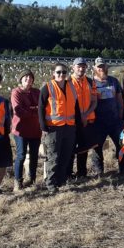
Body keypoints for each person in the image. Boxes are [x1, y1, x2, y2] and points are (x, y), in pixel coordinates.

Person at [39, 63, 78, 193]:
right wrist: (43, 126)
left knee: (66, 156)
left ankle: (61, 181)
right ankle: (50, 184)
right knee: (53, 156)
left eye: (64, 72)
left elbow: (75, 106)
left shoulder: (71, 87)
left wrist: (76, 123)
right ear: (54, 74)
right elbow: (40, 108)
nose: (61, 75)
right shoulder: (47, 88)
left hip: (69, 127)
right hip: (53, 128)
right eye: (58, 72)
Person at [91, 57, 124, 174]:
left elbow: (120, 100)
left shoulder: (113, 81)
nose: (101, 69)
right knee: (97, 147)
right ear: (94, 68)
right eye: (99, 67)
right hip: (98, 122)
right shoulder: (91, 83)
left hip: (115, 121)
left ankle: (123, 169)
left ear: (106, 67)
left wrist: (120, 117)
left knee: (121, 145)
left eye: (103, 66)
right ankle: (99, 172)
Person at [11, 69, 41, 191]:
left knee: (34, 156)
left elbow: (42, 107)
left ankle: (32, 179)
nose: (28, 80)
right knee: (21, 155)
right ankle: (18, 182)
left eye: (30, 78)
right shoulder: (16, 92)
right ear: (21, 79)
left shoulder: (37, 92)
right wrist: (34, 110)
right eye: (26, 78)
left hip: (35, 130)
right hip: (21, 130)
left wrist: (30, 109)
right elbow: (18, 111)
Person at [69, 57, 98, 179]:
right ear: (73, 67)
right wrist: (78, 117)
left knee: (83, 148)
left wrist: (85, 115)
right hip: (71, 121)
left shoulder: (91, 82)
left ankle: (82, 173)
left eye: (83, 66)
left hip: (87, 121)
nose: (81, 69)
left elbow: (94, 102)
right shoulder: (67, 82)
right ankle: (68, 173)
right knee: (70, 148)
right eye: (78, 66)